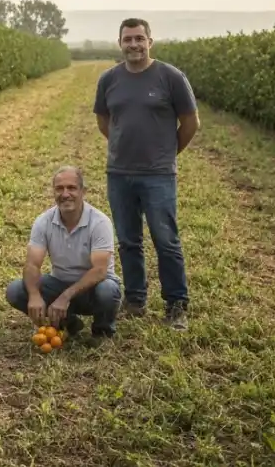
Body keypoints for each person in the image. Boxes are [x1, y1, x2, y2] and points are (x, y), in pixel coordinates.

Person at [93, 17, 199, 331]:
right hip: (119, 173)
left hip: (158, 175)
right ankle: (135, 300)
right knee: (128, 241)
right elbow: (104, 121)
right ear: (120, 43)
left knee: (166, 240)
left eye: (139, 38)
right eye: (128, 39)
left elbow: (191, 122)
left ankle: (176, 305)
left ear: (150, 42)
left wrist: (167, 154)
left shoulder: (170, 77)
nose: (134, 45)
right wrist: (121, 147)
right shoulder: (109, 79)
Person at [6, 166, 122, 340]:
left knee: (108, 290)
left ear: (83, 191)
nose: (65, 194)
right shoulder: (43, 221)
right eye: (59, 188)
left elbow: (99, 271)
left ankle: (102, 331)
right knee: (16, 291)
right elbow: (32, 264)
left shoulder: (99, 222)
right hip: (59, 283)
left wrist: (65, 296)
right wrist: (35, 295)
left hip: (93, 290)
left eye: (71, 188)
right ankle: (68, 324)